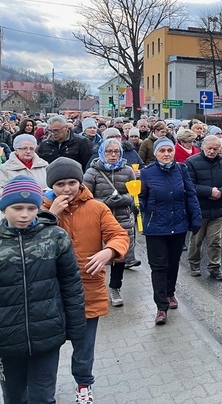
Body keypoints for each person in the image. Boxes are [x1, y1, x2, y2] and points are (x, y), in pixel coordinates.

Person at [43, 157, 129, 404]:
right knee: (48, 347)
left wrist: (109, 251)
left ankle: (83, 385)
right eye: (60, 184)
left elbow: (118, 235)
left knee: (84, 347)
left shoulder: (97, 208)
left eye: (72, 182)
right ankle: (45, 391)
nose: (67, 189)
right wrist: (51, 215)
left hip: (86, 289)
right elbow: (28, 238)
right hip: (49, 291)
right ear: (52, 186)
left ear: (80, 182)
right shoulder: (40, 208)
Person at [0, 175, 86, 404]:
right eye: (17, 208)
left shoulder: (55, 236)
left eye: (31, 208)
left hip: (47, 334)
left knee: (42, 396)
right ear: (4, 207)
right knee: (14, 396)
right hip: (6, 340)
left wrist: (76, 328)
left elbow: (71, 284)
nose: (25, 214)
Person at [140, 138, 201, 325]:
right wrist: (136, 207)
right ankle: (161, 307)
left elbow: (190, 194)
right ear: (156, 153)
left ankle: (170, 293)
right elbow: (141, 197)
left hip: (178, 224)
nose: (166, 154)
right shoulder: (146, 173)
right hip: (155, 227)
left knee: (173, 263)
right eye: (162, 151)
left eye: (169, 150)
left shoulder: (181, 170)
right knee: (159, 266)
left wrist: (196, 217)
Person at [83, 139, 139, 308]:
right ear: (102, 152)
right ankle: (95, 290)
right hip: (98, 221)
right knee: (97, 257)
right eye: (109, 152)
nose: (113, 155)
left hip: (122, 219)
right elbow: (85, 198)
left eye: (116, 151)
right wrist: (104, 202)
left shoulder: (128, 170)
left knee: (119, 256)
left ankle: (115, 288)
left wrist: (124, 199)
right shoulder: (92, 173)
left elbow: (135, 195)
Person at [186, 135, 222, 281]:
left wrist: (221, 191)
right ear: (202, 147)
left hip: (218, 208)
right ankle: (194, 264)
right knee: (196, 240)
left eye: (215, 149)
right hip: (199, 209)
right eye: (209, 148)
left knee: (215, 240)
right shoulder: (192, 162)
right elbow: (189, 185)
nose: (212, 151)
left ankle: (214, 267)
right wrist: (209, 191)